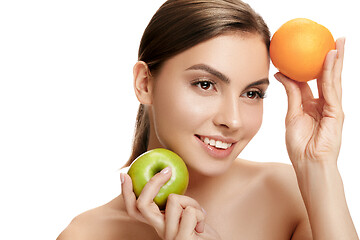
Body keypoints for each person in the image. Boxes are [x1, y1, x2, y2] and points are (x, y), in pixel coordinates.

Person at [57, 0, 358, 239]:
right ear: (144, 84)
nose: (234, 120)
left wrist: (318, 164)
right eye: (205, 84)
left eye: (252, 93)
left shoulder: (290, 195)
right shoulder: (87, 235)